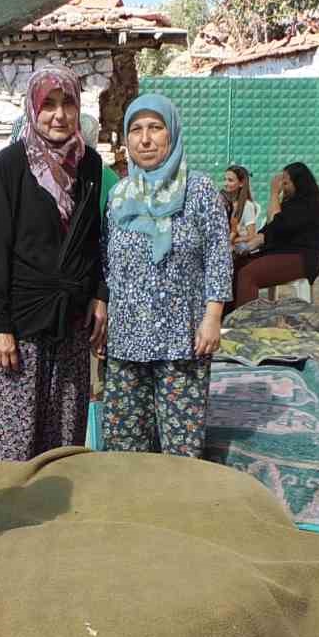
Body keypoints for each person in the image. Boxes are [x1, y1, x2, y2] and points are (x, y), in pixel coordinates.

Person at [0, 67, 106, 464]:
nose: (59, 115)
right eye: (48, 104)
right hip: (20, 329)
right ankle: (9, 524)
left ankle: (58, 525)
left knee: (64, 445)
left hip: (70, 326)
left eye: (67, 103)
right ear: (33, 108)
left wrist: (100, 296)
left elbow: (93, 240)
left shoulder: (90, 165)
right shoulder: (11, 164)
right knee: (15, 450)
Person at [101, 95, 232, 457]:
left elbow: (219, 256)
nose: (145, 139)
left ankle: (178, 511)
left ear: (171, 134)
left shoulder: (199, 190)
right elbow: (106, 263)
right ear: (126, 140)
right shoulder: (117, 196)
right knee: (124, 443)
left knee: (181, 443)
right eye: (136, 130)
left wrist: (213, 317)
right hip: (126, 337)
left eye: (155, 128)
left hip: (182, 336)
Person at [230, 162, 319, 310]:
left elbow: (277, 223)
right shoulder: (292, 203)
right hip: (282, 252)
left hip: (302, 257)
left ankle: (245, 322)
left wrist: (274, 193)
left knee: (248, 274)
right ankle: (227, 317)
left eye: (286, 183)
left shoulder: (310, 206)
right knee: (235, 266)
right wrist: (245, 247)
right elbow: (270, 229)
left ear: (299, 183)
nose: (283, 186)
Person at [223, 164, 260, 248]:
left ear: (241, 183)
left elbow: (252, 236)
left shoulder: (247, 206)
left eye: (230, 180)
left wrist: (230, 240)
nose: (225, 183)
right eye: (224, 179)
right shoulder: (228, 203)